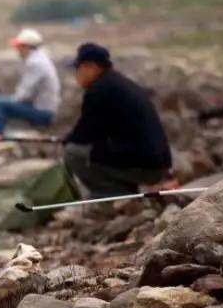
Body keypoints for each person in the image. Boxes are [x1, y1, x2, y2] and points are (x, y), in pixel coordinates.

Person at [63, 43, 172, 198]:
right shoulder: (118, 83)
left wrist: (68, 139)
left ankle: (111, 195)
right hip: (159, 164)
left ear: (90, 67)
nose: (76, 74)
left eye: (78, 68)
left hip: (146, 167)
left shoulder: (99, 90)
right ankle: (125, 193)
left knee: (73, 152)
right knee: (95, 151)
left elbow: (83, 136)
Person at [0, 28, 61, 137]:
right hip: (45, 108)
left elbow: (24, 94)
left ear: (26, 47)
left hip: (43, 112)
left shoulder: (34, 63)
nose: (17, 50)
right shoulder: (41, 58)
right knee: (4, 102)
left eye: (19, 47)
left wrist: (12, 100)